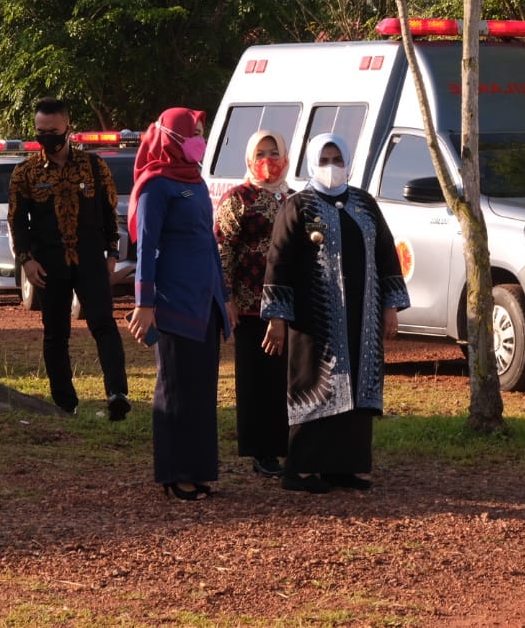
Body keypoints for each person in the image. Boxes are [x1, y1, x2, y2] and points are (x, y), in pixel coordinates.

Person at [261, 133, 411, 494]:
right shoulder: (298, 206)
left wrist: (390, 307)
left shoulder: (364, 204)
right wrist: (277, 317)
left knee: (357, 388)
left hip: (363, 318)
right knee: (315, 385)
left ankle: (346, 467)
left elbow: (386, 254)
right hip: (315, 319)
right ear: (313, 162)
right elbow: (279, 261)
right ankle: (301, 470)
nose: (332, 166)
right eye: (325, 160)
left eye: (337, 159)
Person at [126, 107, 230, 501]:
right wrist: (144, 303)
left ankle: (199, 470)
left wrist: (225, 298)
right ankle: (175, 473)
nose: (199, 140)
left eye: (201, 132)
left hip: (205, 303)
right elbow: (146, 247)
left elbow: (209, 242)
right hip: (172, 303)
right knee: (176, 388)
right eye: (193, 133)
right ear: (171, 138)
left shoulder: (196, 181)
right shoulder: (155, 185)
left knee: (201, 390)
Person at [8, 97, 130, 420]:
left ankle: (117, 394)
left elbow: (110, 212)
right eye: (41, 131)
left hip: (90, 259)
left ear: (67, 129)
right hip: (48, 264)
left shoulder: (94, 166)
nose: (47, 138)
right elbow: (17, 222)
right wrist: (26, 260)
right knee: (55, 333)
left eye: (53, 131)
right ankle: (65, 403)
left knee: (103, 324)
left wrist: (112, 252)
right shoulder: (25, 173)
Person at [213, 130, 293, 479]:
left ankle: (290, 444)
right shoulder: (238, 199)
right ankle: (262, 450)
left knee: (287, 378)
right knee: (257, 379)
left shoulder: (294, 198)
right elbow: (223, 248)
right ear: (248, 158)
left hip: (289, 304)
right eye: (260, 153)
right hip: (250, 305)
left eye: (274, 152)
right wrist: (227, 297)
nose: (268, 160)